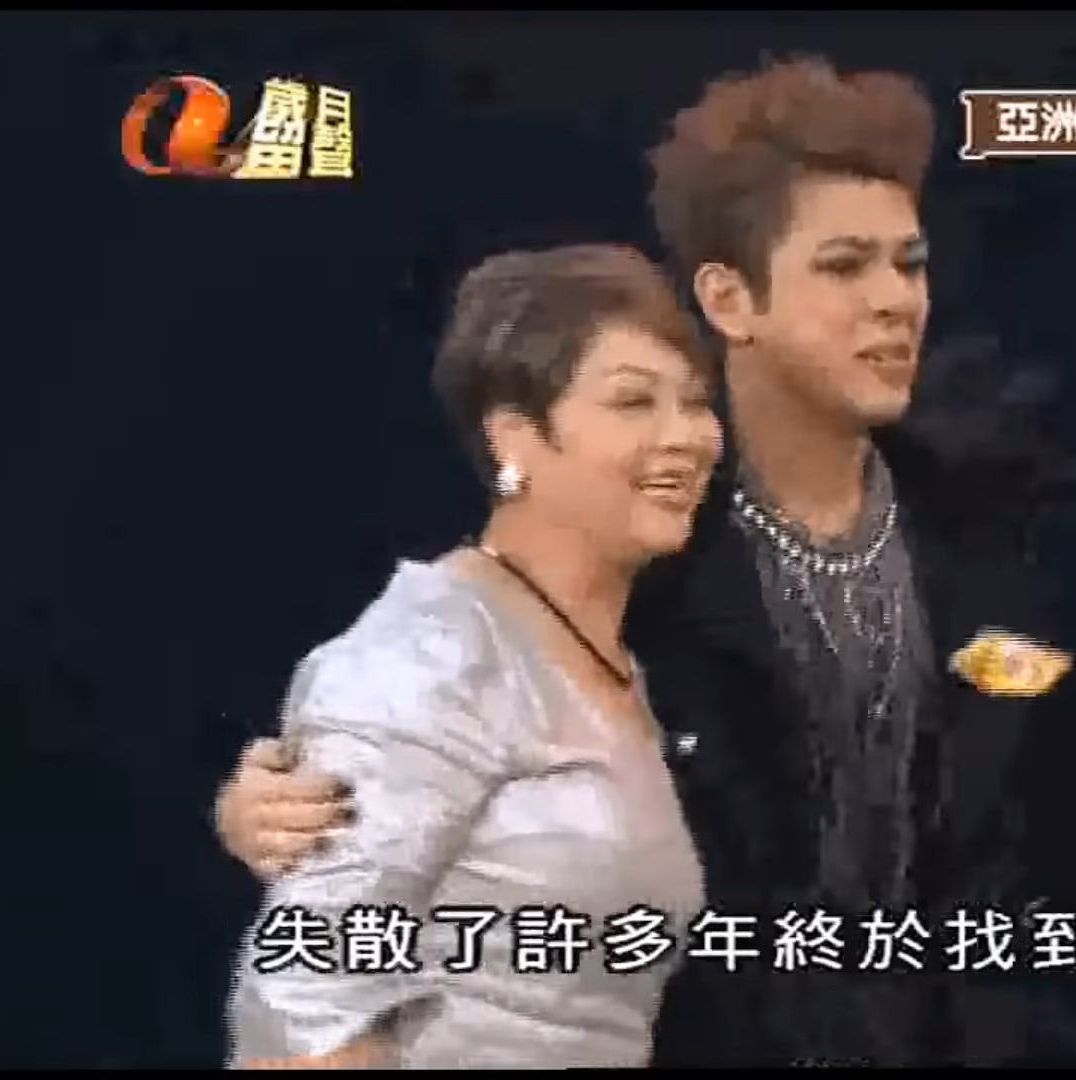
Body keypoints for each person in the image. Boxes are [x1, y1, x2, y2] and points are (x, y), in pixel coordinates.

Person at [217, 58, 1076, 1066]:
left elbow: (1040, 841)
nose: (897, 300)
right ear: (730, 297)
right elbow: (428, 688)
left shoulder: (993, 531)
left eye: (911, 263)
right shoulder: (626, 534)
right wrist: (291, 807)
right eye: (846, 265)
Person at [225, 243, 723, 1069]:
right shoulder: (431, 656)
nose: (688, 438)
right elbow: (303, 1007)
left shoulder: (617, 664)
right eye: (634, 401)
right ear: (514, 439)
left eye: (697, 403)